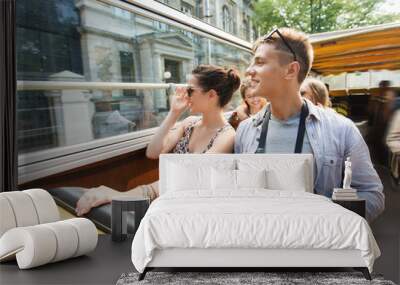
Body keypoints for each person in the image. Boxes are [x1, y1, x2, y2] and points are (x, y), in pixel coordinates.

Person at [234, 28, 384, 222]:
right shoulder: (245, 130)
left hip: (318, 248)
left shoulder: (341, 129)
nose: (249, 70)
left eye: (260, 62)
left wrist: (328, 223)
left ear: (291, 70)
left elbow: (371, 193)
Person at [76, 65, 240, 216]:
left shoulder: (226, 136)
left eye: (190, 90)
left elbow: (190, 176)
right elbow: (153, 152)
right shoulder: (189, 123)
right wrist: (174, 113)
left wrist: (124, 195)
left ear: (211, 95)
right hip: (163, 199)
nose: (185, 94)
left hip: (189, 210)